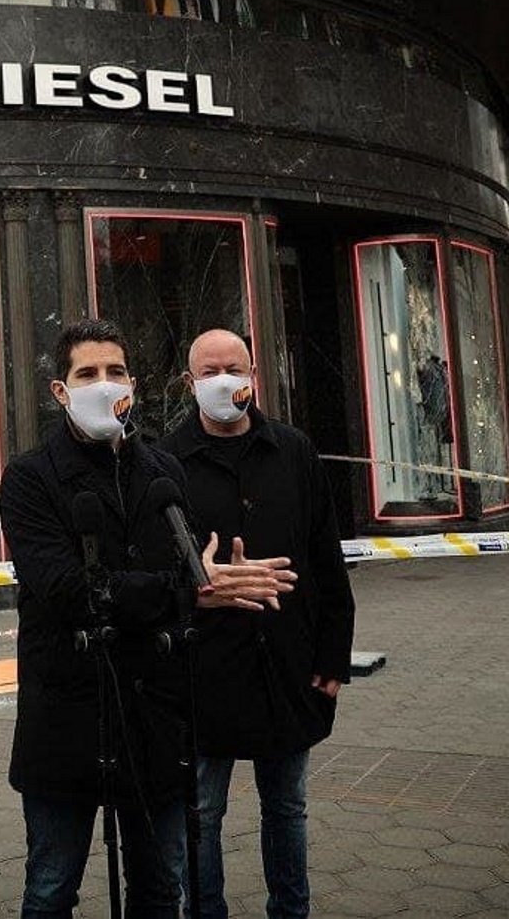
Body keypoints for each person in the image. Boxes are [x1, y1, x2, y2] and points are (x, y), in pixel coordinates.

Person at [3, 319, 297, 919]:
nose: (103, 385)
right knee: (52, 887)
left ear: (133, 385)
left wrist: (200, 586)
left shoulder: (162, 472)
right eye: (87, 374)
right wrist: (186, 591)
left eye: (115, 373)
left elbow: (185, 577)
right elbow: (67, 591)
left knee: (163, 888)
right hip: (68, 717)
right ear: (61, 390)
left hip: (154, 722)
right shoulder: (30, 478)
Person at [158, 329, 357, 919]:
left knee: (288, 808)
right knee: (201, 811)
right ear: (189, 383)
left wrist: (332, 660)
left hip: (288, 666)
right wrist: (201, 584)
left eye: (235, 368)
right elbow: (157, 575)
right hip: (204, 673)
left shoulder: (293, 451)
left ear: (253, 376)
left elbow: (327, 562)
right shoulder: (167, 463)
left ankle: (290, 911)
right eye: (210, 371)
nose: (225, 381)